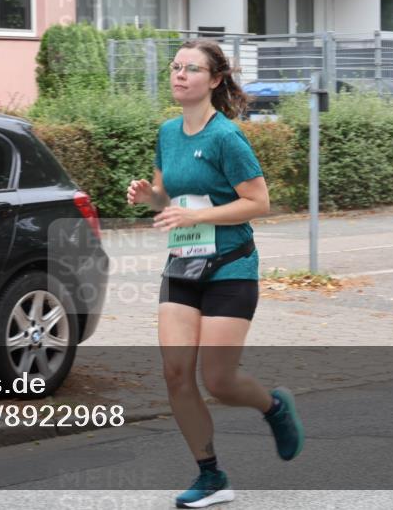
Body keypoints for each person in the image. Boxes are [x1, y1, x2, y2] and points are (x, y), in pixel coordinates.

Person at [126, 40, 305, 508]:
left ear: (215, 79)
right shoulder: (167, 133)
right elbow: (169, 200)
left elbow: (258, 203)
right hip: (184, 265)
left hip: (231, 267)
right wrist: (148, 196)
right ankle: (210, 475)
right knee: (175, 373)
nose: (179, 75)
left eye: (191, 68)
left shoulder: (226, 137)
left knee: (220, 381)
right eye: (175, 67)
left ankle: (275, 407)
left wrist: (197, 219)